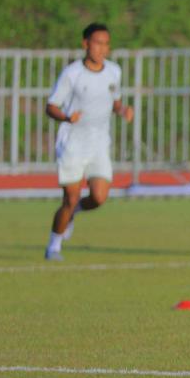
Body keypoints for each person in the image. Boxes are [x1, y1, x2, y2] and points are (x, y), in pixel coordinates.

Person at [43, 23, 134, 260]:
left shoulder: (114, 71)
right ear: (86, 44)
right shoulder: (72, 73)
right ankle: (54, 245)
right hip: (73, 143)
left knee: (99, 197)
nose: (102, 48)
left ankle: (74, 213)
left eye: (106, 44)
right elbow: (51, 106)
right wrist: (66, 117)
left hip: (98, 143)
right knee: (70, 198)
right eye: (97, 43)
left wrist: (123, 110)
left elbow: (114, 101)